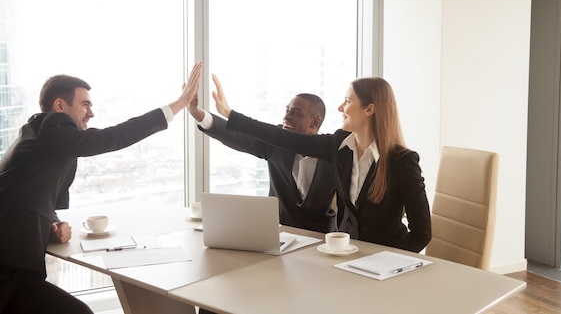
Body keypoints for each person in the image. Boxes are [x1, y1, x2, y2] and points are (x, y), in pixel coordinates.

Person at [0, 62, 202, 314]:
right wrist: (179, 103)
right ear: (60, 106)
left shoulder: (48, 139)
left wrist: (53, 223)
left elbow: (27, 193)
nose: (91, 113)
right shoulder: (51, 128)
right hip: (8, 265)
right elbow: (113, 137)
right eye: (85, 104)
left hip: (14, 262)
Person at [208, 73, 432, 253]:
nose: (340, 108)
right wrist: (229, 114)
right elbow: (281, 138)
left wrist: (391, 262)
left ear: (369, 109)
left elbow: (421, 234)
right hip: (347, 256)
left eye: (347, 101)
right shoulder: (339, 146)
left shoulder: (402, 161)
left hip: (383, 264)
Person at [188, 93, 337, 233]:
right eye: (287, 111)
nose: (286, 117)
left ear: (314, 123)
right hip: (277, 231)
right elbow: (235, 136)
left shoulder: (332, 153)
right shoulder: (275, 143)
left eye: (295, 113)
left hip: (322, 238)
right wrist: (199, 115)